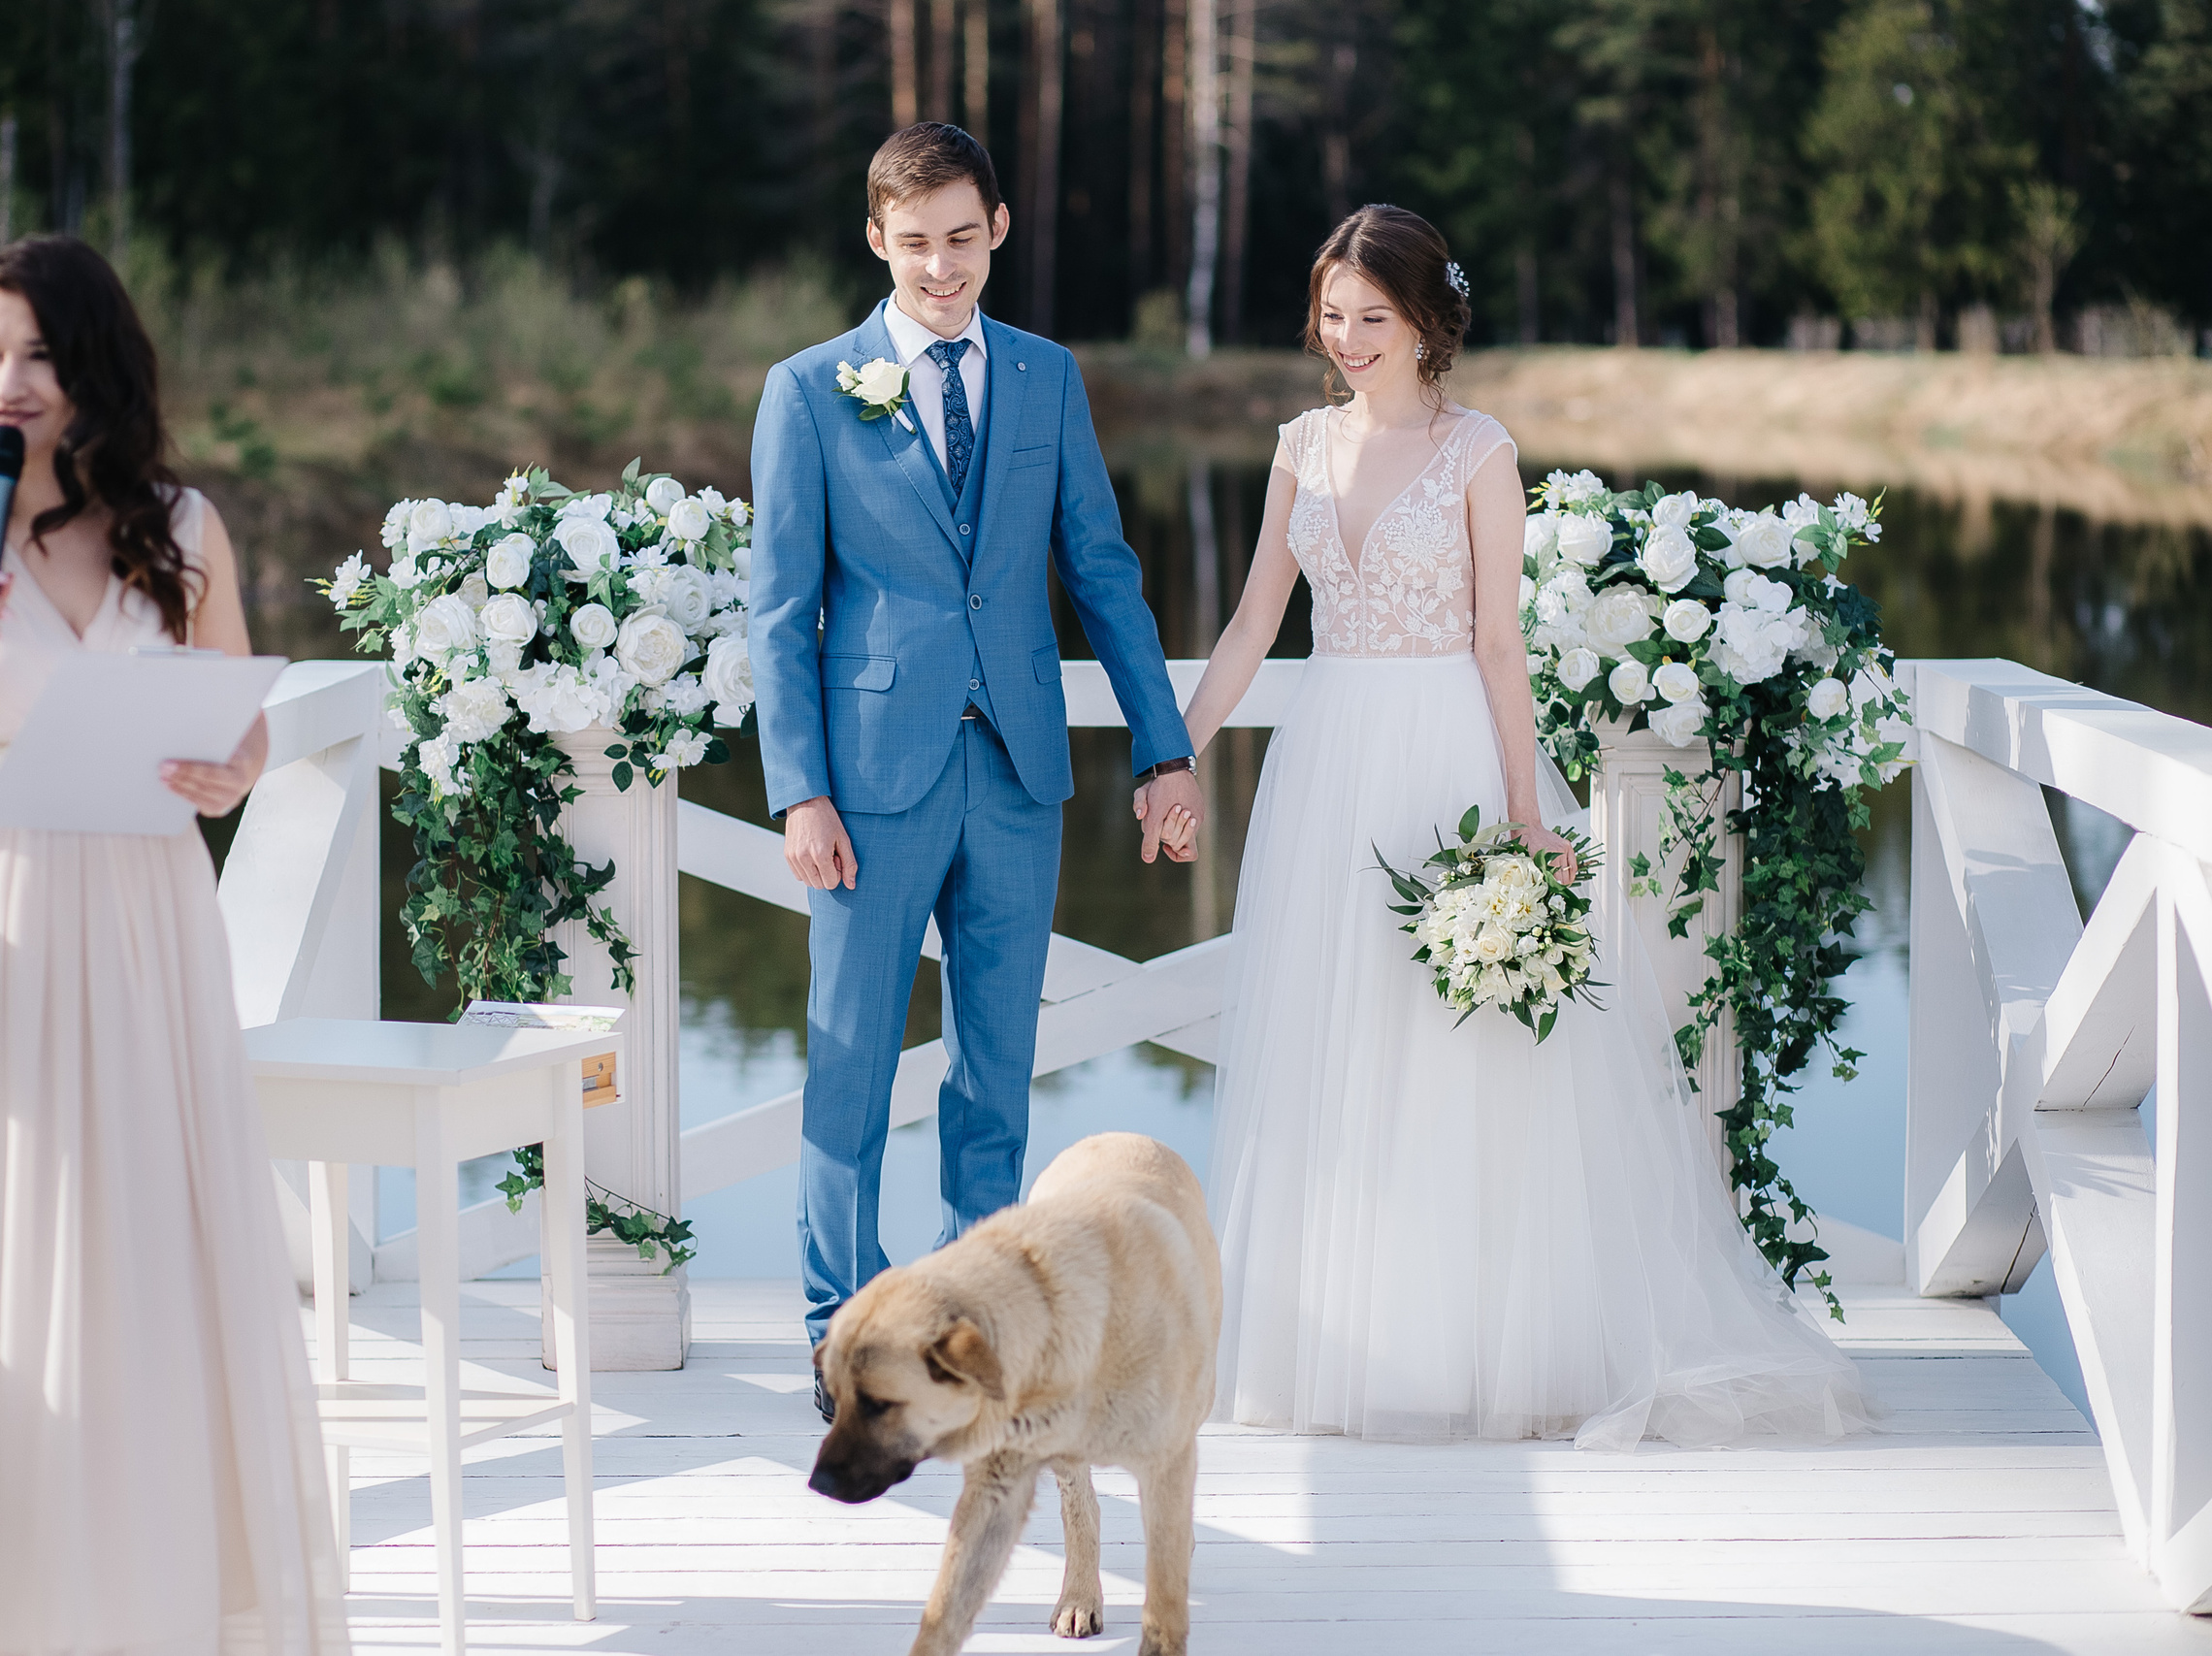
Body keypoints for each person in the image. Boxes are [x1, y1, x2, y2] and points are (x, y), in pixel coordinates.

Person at [1166, 205, 1873, 1450]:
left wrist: (1525, 811)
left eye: (1371, 319)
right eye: (1331, 317)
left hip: (1443, 746)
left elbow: (1500, 641)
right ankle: (1341, 1341)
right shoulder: (1297, 446)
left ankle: (1492, 1345)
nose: (1346, 340)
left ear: (1429, 319)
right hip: (1328, 759)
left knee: (1467, 1054)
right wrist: (1176, 755)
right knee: (1336, 1042)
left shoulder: (1478, 450)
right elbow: (1248, 627)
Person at [0, 236, 347, 1651]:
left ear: (91, 370)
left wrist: (225, 767)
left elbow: (242, 727)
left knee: (148, 1277)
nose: (5, 380)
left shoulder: (178, 525)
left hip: (144, 927)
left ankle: (150, 1605)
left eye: (37, 354)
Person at [749, 123, 1204, 1415]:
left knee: (993, 1074)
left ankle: (973, 1329)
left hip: (1017, 771)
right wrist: (800, 789)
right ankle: (839, 1333)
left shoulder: (1046, 378)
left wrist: (1162, 746)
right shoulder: (809, 387)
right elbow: (779, 611)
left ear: (996, 228)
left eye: (961, 238)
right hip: (869, 781)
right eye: (913, 244)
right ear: (876, 242)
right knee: (848, 1066)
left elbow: (1103, 572)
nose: (939, 269)